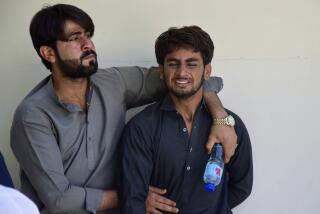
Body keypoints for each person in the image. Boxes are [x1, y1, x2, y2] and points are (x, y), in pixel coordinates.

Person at [10, 4, 237, 214]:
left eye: (88, 35)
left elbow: (186, 81)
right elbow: (59, 199)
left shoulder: (113, 83)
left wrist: (220, 118)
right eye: (74, 38)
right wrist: (133, 196)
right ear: (48, 53)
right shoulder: (33, 115)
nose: (87, 44)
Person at [121, 26, 253, 214]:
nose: (182, 73)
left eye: (191, 64)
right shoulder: (141, 127)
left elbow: (242, 186)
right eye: (173, 64)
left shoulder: (231, 126)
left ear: (207, 71)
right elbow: (132, 199)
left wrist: (212, 207)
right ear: (161, 70)